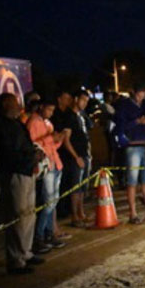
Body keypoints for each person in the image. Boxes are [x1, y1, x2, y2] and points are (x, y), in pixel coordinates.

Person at [0, 93, 45, 274]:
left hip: (27, 171)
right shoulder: (0, 127)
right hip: (15, 174)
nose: (19, 105)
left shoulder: (16, 123)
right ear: (5, 104)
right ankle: (15, 259)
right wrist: (30, 157)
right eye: (14, 102)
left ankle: (25, 252)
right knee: (17, 217)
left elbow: (25, 145)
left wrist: (35, 154)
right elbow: (9, 154)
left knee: (29, 215)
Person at [27, 99, 68, 250]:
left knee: (53, 202)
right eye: (49, 109)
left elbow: (52, 145)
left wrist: (59, 138)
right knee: (48, 202)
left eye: (52, 110)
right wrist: (52, 138)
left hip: (55, 163)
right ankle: (39, 236)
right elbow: (33, 145)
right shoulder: (33, 122)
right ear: (41, 106)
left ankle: (49, 234)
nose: (51, 113)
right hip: (47, 166)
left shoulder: (48, 123)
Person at [114, 82, 145, 224]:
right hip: (132, 146)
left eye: (143, 93)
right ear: (134, 93)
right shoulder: (125, 106)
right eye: (139, 93)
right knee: (132, 181)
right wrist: (137, 121)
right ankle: (133, 213)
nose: (141, 96)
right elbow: (121, 126)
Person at [53, 90, 90, 227]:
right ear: (76, 99)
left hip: (85, 154)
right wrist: (76, 157)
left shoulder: (81, 116)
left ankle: (81, 213)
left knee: (82, 187)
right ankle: (75, 216)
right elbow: (66, 140)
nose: (84, 104)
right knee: (75, 188)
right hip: (75, 157)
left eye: (86, 101)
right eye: (82, 100)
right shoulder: (69, 117)